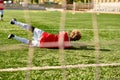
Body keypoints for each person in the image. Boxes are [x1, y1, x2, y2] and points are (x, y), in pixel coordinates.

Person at [8, 18, 82, 48]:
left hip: (45, 36)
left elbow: (60, 32)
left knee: (31, 28)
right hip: (43, 44)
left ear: (72, 33)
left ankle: (14, 22)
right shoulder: (68, 46)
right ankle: (13, 36)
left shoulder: (65, 34)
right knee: (28, 42)